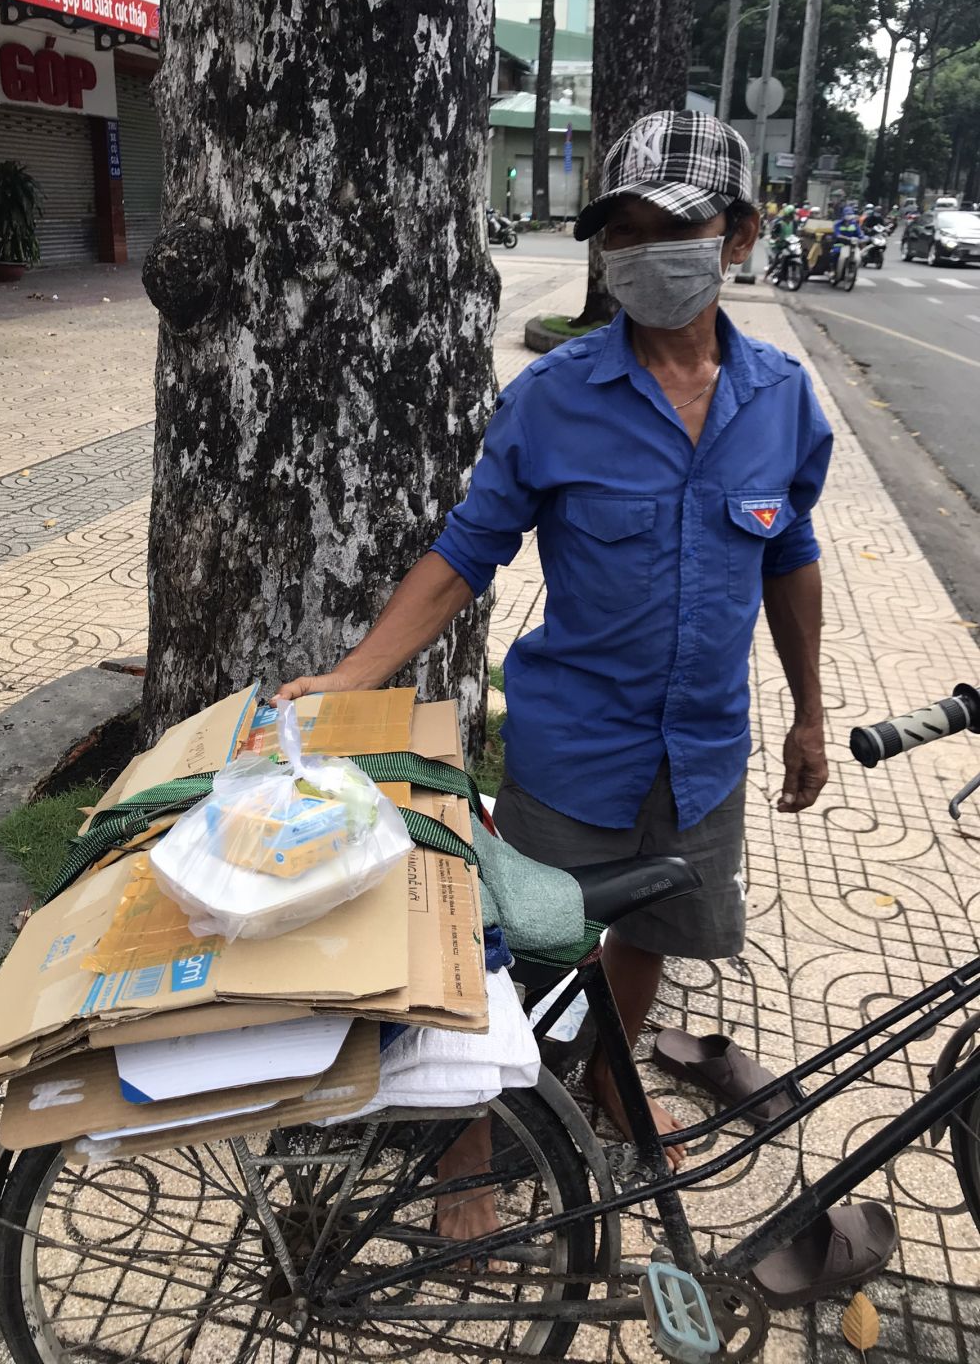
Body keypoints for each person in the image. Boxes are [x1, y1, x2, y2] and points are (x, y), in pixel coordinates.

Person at [276, 109, 833, 1239]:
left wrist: (811, 713)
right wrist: (355, 674)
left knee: (652, 931)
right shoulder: (554, 395)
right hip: (573, 744)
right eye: (622, 231)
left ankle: (609, 1087)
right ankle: (469, 1149)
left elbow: (792, 556)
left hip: (705, 747)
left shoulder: (782, 398)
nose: (645, 253)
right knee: (508, 957)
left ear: (738, 236)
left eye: (674, 228)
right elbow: (464, 552)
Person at [831, 205, 866, 282]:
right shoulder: (838, 224)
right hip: (840, 243)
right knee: (835, 253)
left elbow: (860, 234)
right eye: (847, 214)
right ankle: (833, 270)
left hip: (852, 244)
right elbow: (837, 234)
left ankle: (853, 271)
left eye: (850, 214)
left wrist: (863, 238)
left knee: (859, 256)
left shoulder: (854, 224)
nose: (849, 216)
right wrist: (843, 237)